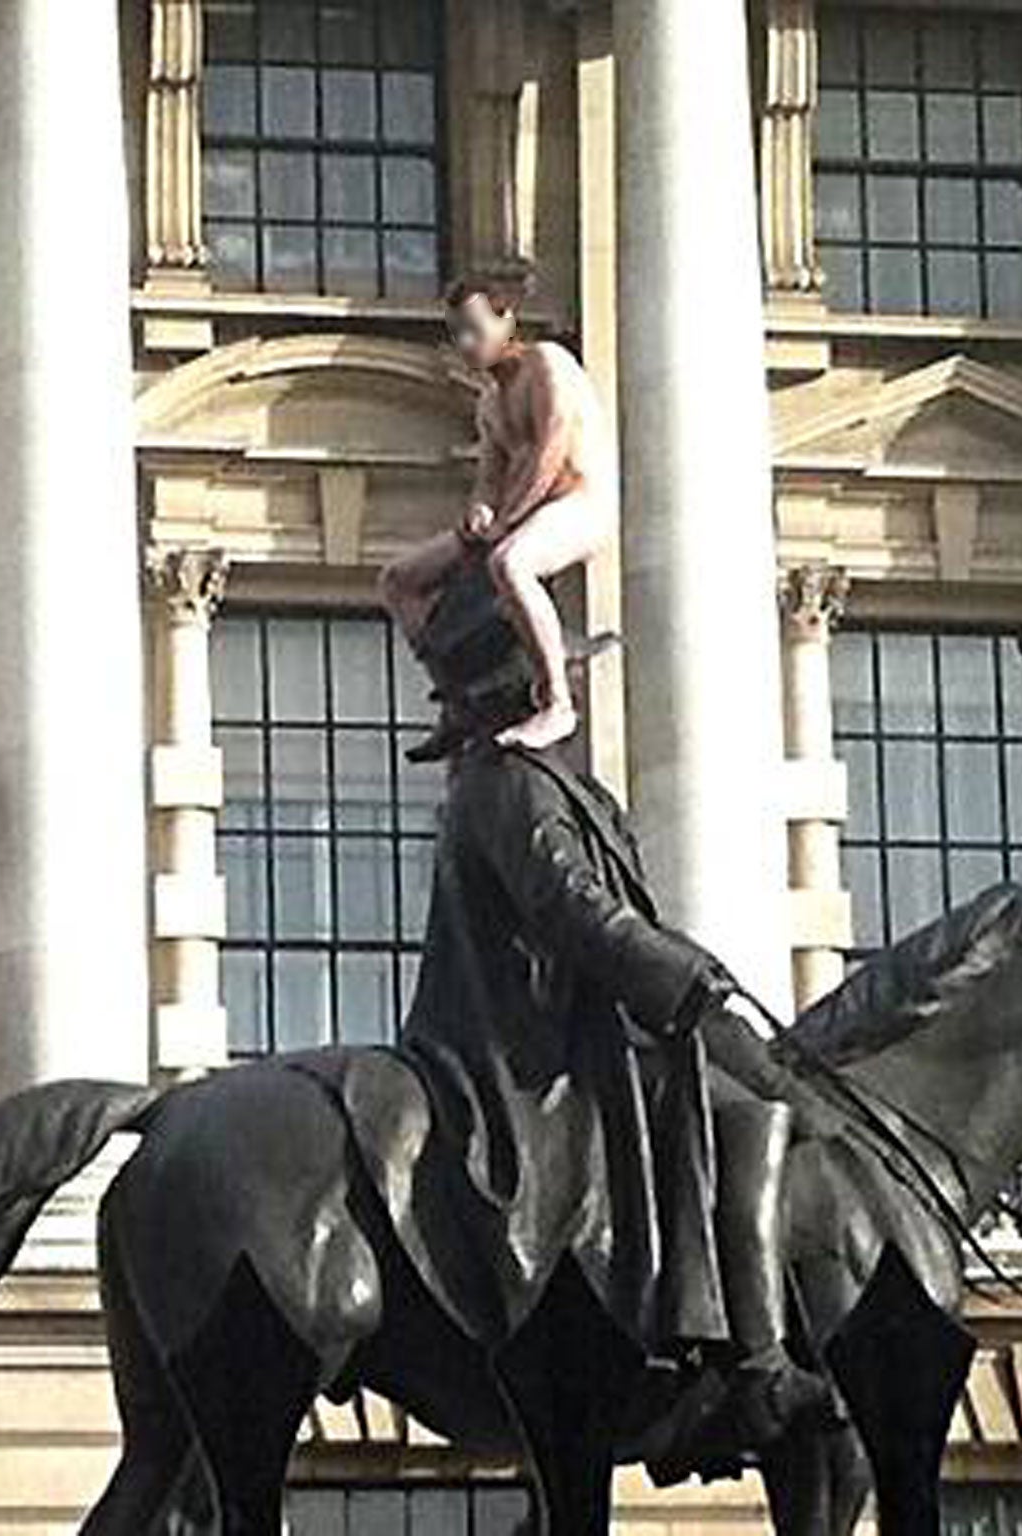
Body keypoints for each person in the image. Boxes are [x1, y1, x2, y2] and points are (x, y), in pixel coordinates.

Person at [378, 568, 837, 1471]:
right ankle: (756, 1363)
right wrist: (682, 975)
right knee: (743, 1112)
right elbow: (573, 912)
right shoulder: (512, 784)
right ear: (528, 684)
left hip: (575, 1019)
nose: (578, 676)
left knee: (759, 1071)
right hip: (532, 1042)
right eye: (564, 662)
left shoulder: (537, 782)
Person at [379, 266, 613, 751]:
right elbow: (489, 478)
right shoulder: (490, 403)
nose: (465, 343)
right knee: (399, 580)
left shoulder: (547, 363)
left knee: (511, 563)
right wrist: (480, 513)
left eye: (474, 328)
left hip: (579, 505)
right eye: (457, 333)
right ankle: (458, 700)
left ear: (506, 320)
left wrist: (506, 520)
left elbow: (552, 448)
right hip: (516, 519)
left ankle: (557, 703)